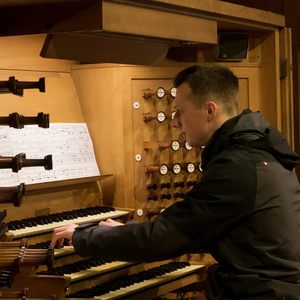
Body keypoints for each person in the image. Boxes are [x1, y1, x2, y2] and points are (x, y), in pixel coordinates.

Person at [51, 63, 300, 299]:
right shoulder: (257, 151)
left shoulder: (237, 167)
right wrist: (126, 231)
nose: (174, 122)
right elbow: (217, 231)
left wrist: (82, 237)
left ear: (210, 111)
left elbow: (163, 238)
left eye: (180, 111)